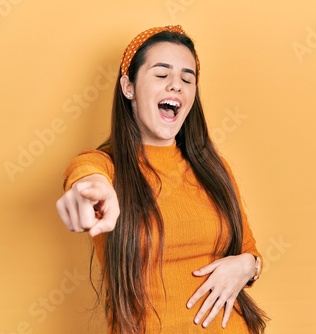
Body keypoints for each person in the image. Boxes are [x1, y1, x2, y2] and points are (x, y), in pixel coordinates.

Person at [56, 25, 268, 334]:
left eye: (187, 78)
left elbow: (250, 250)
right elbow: (86, 177)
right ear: (128, 87)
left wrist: (249, 266)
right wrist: (92, 192)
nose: (176, 86)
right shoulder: (105, 165)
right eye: (161, 75)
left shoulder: (213, 167)